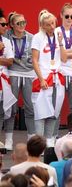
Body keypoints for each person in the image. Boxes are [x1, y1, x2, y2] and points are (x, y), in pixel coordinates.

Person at [31, 10, 67, 147]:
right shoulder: (38, 37)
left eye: (53, 23)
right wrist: (41, 79)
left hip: (57, 79)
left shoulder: (58, 35)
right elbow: (34, 60)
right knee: (40, 112)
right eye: (48, 25)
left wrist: (61, 43)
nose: (52, 27)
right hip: (44, 77)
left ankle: (50, 142)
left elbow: (63, 58)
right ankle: (39, 144)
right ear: (42, 26)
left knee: (54, 112)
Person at [5, 12, 36, 144]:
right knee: (12, 107)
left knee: (30, 107)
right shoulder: (6, 36)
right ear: (11, 25)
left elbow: (35, 56)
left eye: (24, 22)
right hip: (13, 73)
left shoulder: (31, 37)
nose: (22, 25)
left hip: (29, 73)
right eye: (18, 23)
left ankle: (31, 138)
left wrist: (30, 65)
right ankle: (8, 139)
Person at [54, 3, 72, 137]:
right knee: (56, 105)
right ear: (61, 16)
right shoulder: (55, 31)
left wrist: (65, 53)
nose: (69, 19)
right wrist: (71, 53)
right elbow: (58, 55)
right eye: (67, 16)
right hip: (59, 72)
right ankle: (54, 134)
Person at [0, 9, 16, 151]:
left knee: (2, 110)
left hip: (3, 80)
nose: (5, 27)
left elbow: (10, 61)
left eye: (6, 24)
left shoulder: (6, 41)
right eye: (3, 24)